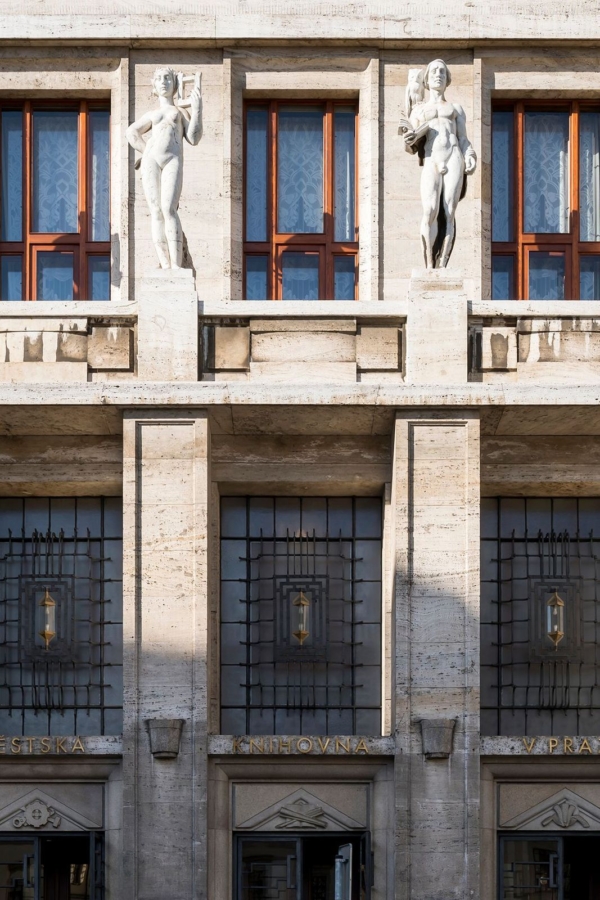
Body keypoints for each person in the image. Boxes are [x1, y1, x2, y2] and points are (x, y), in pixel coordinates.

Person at [403, 59, 476, 269]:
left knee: (449, 210)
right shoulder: (419, 110)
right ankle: (429, 266)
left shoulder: (455, 109)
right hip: (431, 157)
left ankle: (443, 264)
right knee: (430, 209)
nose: (438, 74)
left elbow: (463, 139)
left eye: (442, 71)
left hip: (453, 155)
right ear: (426, 79)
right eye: (434, 71)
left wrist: (470, 155)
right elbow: (411, 146)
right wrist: (409, 140)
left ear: (448, 79)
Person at [126, 67, 202, 269]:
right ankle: (165, 264)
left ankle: (176, 265)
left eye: (167, 78)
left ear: (175, 83)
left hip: (171, 159)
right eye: (159, 79)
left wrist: (197, 110)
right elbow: (131, 132)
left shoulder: (179, 111)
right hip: (151, 161)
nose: (163, 82)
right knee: (156, 211)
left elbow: (194, 138)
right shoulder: (152, 114)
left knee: (169, 209)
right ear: (154, 85)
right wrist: (146, 151)